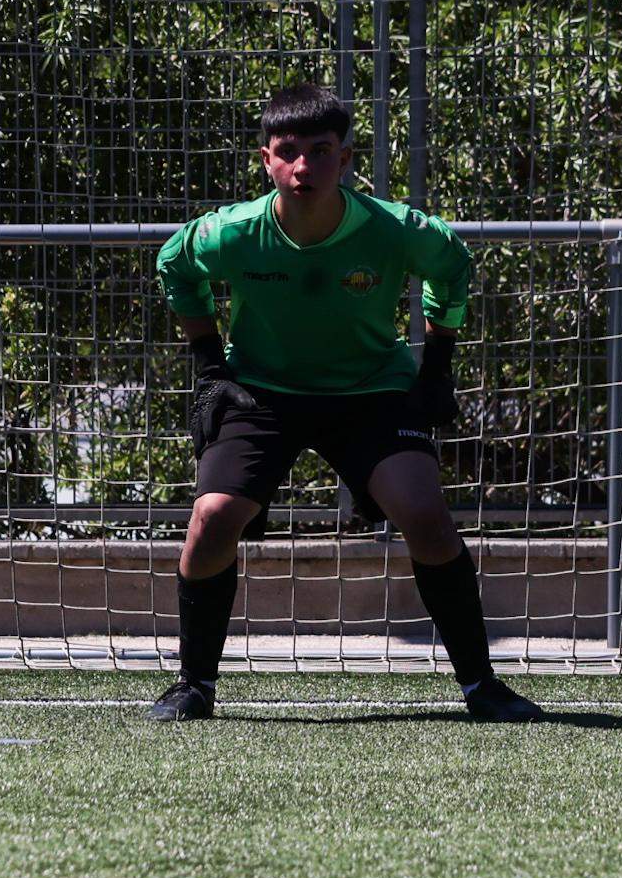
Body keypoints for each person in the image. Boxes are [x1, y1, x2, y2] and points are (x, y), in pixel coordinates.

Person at [152, 79, 542, 723]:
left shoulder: (393, 229)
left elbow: (452, 266)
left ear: (346, 159)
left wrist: (436, 366)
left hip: (370, 391)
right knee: (213, 518)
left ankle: (482, 685)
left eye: (321, 150)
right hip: (262, 392)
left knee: (425, 515)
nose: (304, 166)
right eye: (288, 151)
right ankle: (194, 685)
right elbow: (175, 265)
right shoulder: (233, 233)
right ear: (267, 160)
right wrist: (209, 369)